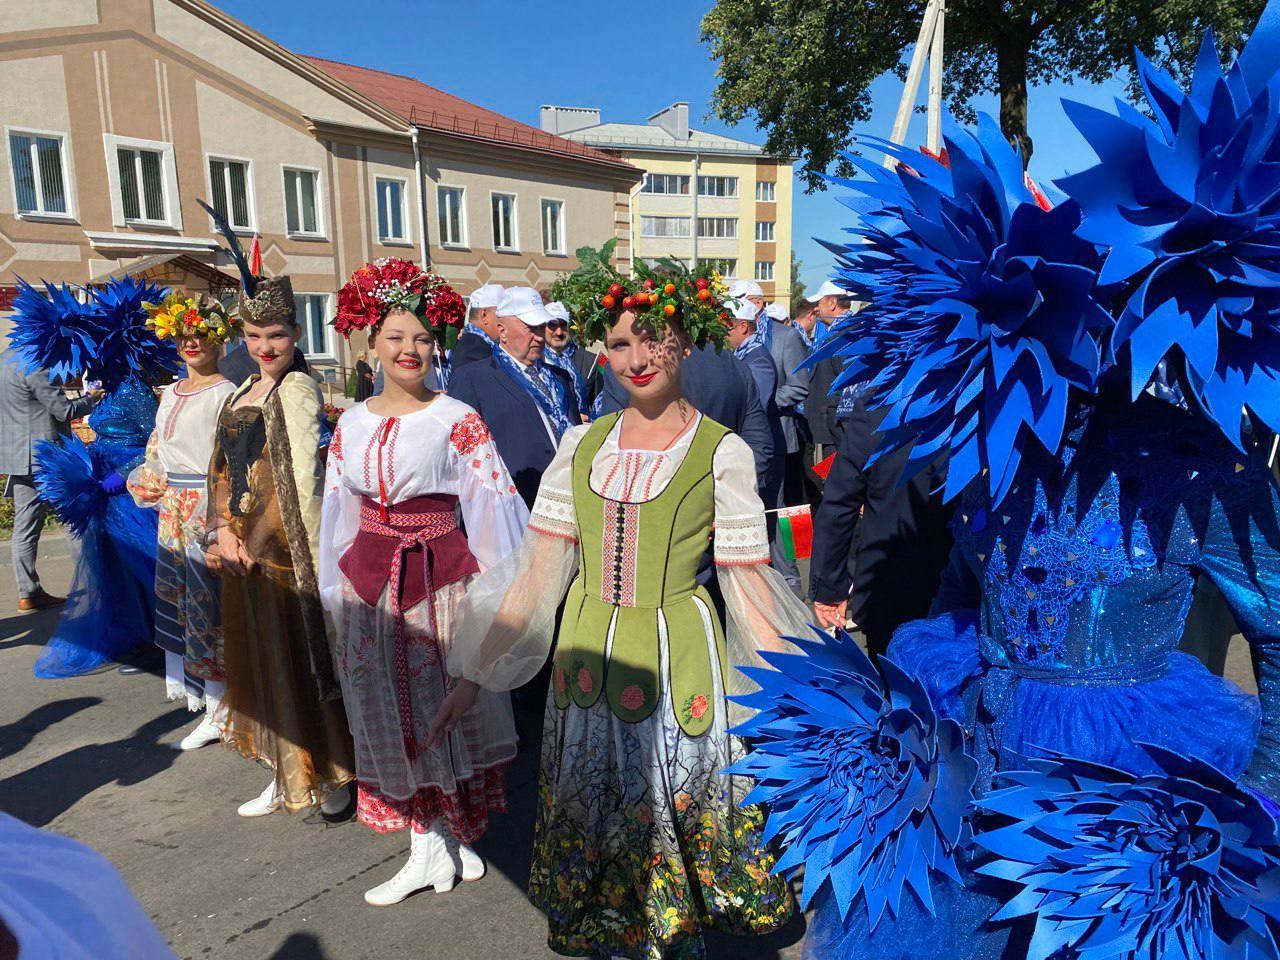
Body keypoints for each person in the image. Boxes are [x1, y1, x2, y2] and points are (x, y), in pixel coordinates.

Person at [738, 20, 1280, 958]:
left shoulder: (1195, 462)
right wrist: (908, 702)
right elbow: (962, 585)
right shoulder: (1005, 439)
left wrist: (1263, 797)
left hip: (1127, 794)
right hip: (976, 756)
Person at [430, 262, 811, 960]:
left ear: (685, 343)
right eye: (620, 343)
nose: (636, 358)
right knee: (598, 801)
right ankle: (614, 929)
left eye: (654, 339)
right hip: (584, 654)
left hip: (676, 652)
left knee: (673, 802)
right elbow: (539, 572)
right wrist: (472, 676)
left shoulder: (719, 451)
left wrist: (806, 691)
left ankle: (668, 930)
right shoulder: (583, 444)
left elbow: (749, 584)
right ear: (601, 350)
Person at [319, 259, 526, 905]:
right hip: (370, 584)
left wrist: (502, 603)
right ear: (371, 344)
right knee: (385, 703)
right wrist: (334, 590)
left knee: (437, 706)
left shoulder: (455, 416)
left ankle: (435, 842)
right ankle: (435, 839)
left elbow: (492, 508)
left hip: (438, 583)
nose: (410, 350)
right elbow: (338, 512)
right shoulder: (351, 423)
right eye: (395, 338)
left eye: (421, 339)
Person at [207, 270, 356, 819]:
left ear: (296, 331)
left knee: (300, 659)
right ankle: (284, 767)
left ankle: (330, 773)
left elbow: (294, 477)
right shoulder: (244, 390)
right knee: (262, 661)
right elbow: (221, 469)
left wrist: (258, 537)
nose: (264, 347)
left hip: (285, 551)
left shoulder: (296, 388)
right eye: (253, 335)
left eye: (275, 334)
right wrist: (222, 529)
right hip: (244, 550)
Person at [7, 277, 173, 678]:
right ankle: (132, 636)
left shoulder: (132, 388)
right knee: (113, 568)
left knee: (141, 566)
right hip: (103, 488)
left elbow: (155, 442)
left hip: (127, 491)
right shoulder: (112, 384)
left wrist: (120, 474)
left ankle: (156, 641)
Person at [126, 293, 238, 750]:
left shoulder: (225, 393)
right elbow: (158, 447)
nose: (192, 344)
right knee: (183, 602)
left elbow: (228, 459)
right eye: (184, 336)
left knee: (208, 606)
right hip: (172, 507)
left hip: (204, 507)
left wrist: (221, 516)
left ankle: (223, 706)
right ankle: (209, 701)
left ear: (217, 341)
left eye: (201, 336)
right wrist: (148, 477)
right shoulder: (170, 391)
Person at [809, 398, 953, 656]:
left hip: (891, 583)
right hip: (959, 582)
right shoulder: (981, 391)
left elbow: (840, 502)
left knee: (895, 685)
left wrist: (829, 588)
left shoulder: (880, 404)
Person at [448, 287, 579, 509]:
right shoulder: (474, 378)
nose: (539, 336)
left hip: (566, 502)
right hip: (511, 509)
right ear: (502, 330)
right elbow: (460, 456)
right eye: (530, 327)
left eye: (541, 327)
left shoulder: (560, 377)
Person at [594, 343, 776, 495]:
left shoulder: (630, 369)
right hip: (721, 508)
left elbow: (612, 445)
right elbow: (759, 447)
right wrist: (729, 497)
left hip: (656, 513)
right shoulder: (733, 364)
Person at [0, 350, 99, 613]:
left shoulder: (3, 360)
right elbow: (63, 410)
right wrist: (91, 399)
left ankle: (28, 592)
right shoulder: (35, 365)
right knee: (74, 519)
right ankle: (93, 585)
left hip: (18, 456)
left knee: (24, 526)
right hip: (45, 457)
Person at [542, 300, 597, 417]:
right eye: (552, 325)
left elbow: (602, 403)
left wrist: (590, 418)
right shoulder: (535, 361)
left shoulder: (590, 361)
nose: (559, 332)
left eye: (563, 325)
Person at [449, 283, 504, 370]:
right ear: (484, 315)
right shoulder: (474, 351)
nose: (506, 321)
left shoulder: (473, 344)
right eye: (502, 314)